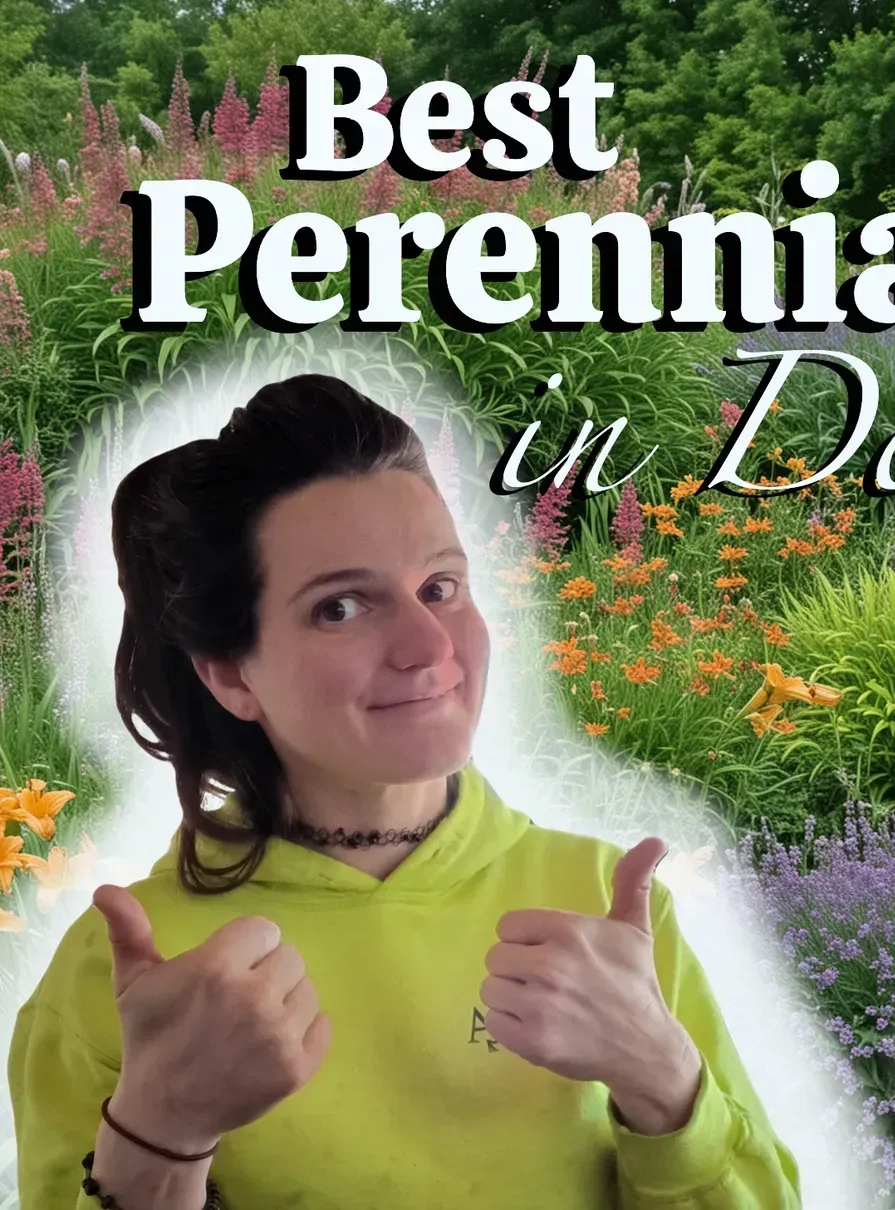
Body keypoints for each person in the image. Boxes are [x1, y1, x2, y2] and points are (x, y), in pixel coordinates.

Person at [6, 374, 804, 1210]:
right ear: (231, 674)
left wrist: (663, 1079)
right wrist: (160, 1132)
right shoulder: (131, 975)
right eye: (341, 607)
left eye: (440, 587)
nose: (428, 647)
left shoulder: (608, 913)